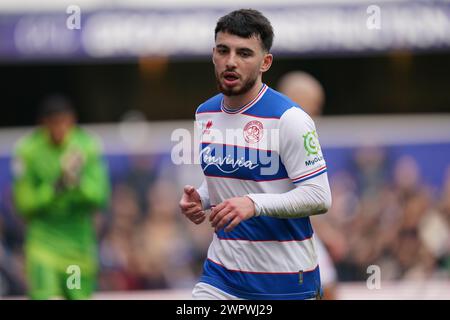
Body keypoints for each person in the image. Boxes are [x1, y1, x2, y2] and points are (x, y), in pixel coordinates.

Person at [179, 9, 332, 300]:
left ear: (265, 62)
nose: (231, 62)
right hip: (222, 277)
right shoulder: (205, 113)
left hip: (287, 282)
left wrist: (254, 204)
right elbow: (234, 178)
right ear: (213, 54)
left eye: (244, 53)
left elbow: (319, 196)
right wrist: (204, 198)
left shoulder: (290, 119)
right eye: (223, 50)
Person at [12, 95, 110, 299]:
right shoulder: (28, 151)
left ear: (72, 120)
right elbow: (24, 204)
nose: (60, 129)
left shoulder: (87, 147)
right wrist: (57, 186)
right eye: (54, 123)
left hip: (78, 250)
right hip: (43, 246)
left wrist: (77, 182)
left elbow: (99, 197)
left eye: (65, 122)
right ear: (43, 124)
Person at [278, 71, 345, 300]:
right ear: (296, 99)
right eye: (315, 105)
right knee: (326, 290)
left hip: (289, 232)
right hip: (284, 234)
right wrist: (328, 234)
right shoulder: (287, 136)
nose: (318, 112)